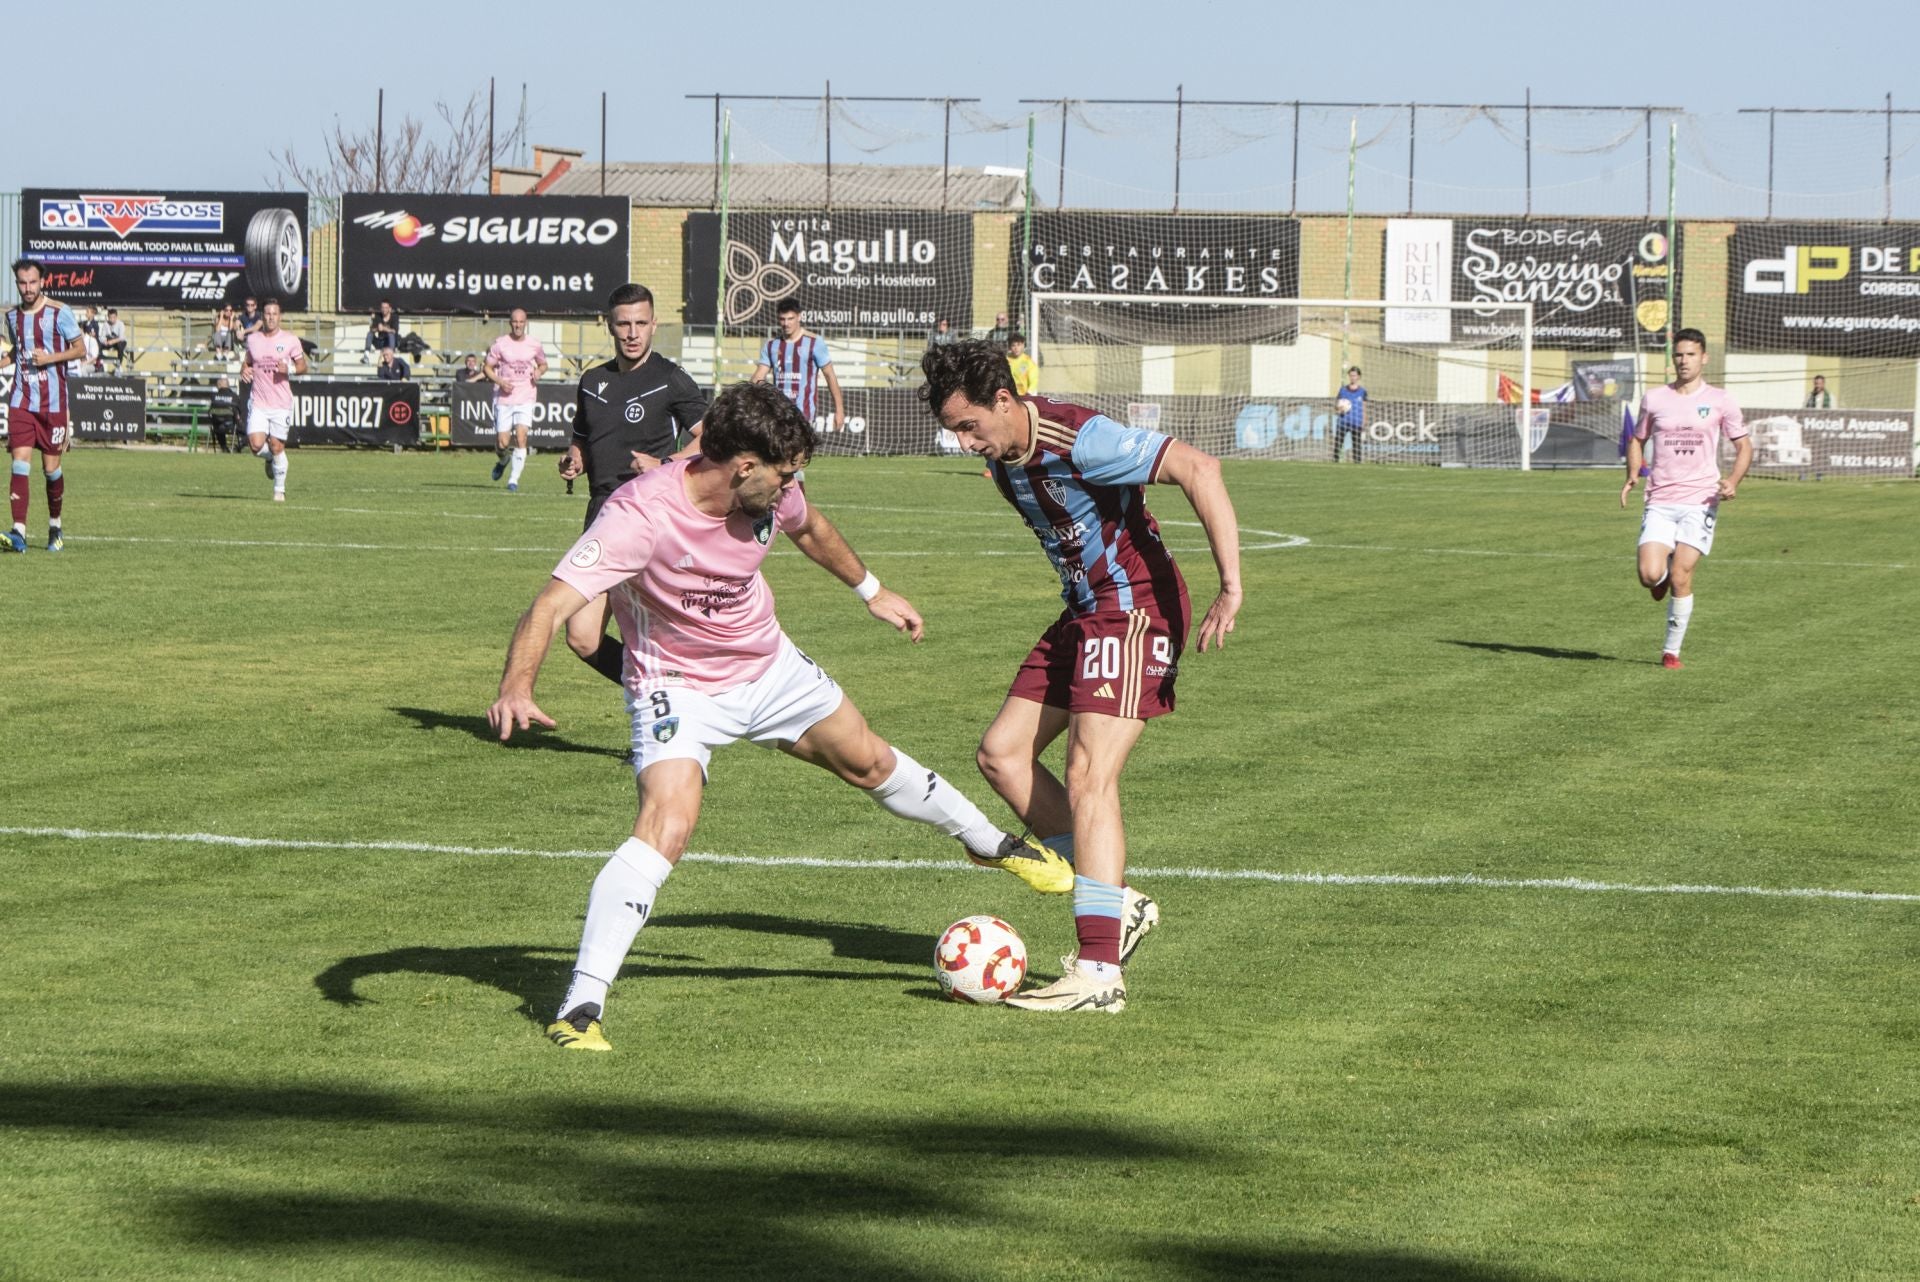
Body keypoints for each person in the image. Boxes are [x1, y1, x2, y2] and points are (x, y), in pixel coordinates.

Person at [488, 381, 1072, 1052]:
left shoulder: (774, 487)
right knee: (667, 824)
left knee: (870, 761)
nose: (791, 486)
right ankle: (582, 1005)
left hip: (768, 666)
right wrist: (517, 685)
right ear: (742, 466)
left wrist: (872, 591)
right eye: (784, 473)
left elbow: (813, 529)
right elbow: (551, 605)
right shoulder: (638, 517)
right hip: (677, 687)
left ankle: (989, 843)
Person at [920, 340, 1244, 1014]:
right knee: (1002, 755)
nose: (962, 441)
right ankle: (1115, 901)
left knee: (1089, 775)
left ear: (1004, 401)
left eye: (968, 425)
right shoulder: (1007, 461)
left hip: (1135, 611)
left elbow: (1198, 466)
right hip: (1087, 612)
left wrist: (1231, 586)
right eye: (954, 430)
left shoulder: (1082, 439)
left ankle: (1099, 973)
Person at [558, 282, 709, 683]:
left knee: (653, 633)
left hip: (651, 517)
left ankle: (665, 727)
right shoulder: (592, 382)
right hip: (602, 515)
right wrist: (576, 458)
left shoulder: (670, 378)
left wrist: (665, 463)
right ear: (609, 325)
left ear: (654, 324)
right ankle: (665, 688)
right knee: (583, 637)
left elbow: (712, 437)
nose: (632, 332)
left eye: (641, 323)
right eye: (623, 323)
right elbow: (584, 437)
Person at [1621, 327, 1752, 670]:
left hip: (1701, 500)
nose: (1683, 360)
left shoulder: (1721, 400)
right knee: (1649, 576)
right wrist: (1633, 474)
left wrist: (1734, 481)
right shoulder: (1654, 398)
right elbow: (1637, 439)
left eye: (1690, 354)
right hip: (1660, 499)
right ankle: (1658, 577)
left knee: (1682, 574)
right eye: (1678, 354)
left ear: (1704, 358)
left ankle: (1671, 652)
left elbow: (1744, 446)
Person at [4, 258, 86, 553]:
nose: (27, 288)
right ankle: (19, 533)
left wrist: (49, 358)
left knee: (51, 470)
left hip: (53, 404)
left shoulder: (59, 312)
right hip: (22, 401)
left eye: (32, 283)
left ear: (43, 282)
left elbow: (81, 349)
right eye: (22, 283)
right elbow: (18, 351)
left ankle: (55, 526)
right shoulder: (12, 317)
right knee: (19, 463)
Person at [240, 298, 308, 502]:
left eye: (274, 314)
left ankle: (279, 491)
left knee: (278, 446)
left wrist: (291, 369)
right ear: (263, 316)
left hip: (281, 403)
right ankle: (269, 459)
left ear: (280, 316)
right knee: (255, 445)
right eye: (267, 313)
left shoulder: (290, 340)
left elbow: (304, 366)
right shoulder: (253, 339)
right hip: (259, 401)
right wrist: (244, 370)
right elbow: (247, 362)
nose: (271, 317)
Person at [751, 297, 844, 432]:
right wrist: (748, 398)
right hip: (778, 413)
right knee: (780, 452)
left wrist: (839, 409)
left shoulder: (814, 343)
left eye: (790, 319)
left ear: (799, 317)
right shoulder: (772, 345)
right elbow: (759, 376)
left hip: (803, 414)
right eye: (782, 319)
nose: (786, 323)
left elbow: (830, 375)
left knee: (797, 452)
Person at [485, 308, 547, 493]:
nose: (518, 325)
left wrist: (538, 372)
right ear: (510, 323)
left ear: (525, 323)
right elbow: (487, 368)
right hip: (504, 398)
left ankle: (513, 480)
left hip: (526, 395)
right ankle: (504, 460)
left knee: (521, 437)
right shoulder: (500, 344)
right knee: (503, 442)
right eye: (515, 322)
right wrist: (500, 381)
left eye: (521, 322)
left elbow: (543, 364)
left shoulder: (534, 344)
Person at [1333, 366, 1366, 463]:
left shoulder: (1362, 391)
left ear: (1358, 377)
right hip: (1343, 421)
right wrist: (1339, 408)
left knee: (1357, 444)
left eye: (1354, 375)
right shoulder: (1343, 390)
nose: (1352, 377)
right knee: (1338, 443)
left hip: (1356, 421)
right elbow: (1336, 404)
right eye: (1351, 375)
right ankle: (1335, 461)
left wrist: (1364, 421)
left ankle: (1357, 463)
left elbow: (1364, 407)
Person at [208, 376, 238, 454]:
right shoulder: (234, 396)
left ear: (219, 386)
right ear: (228, 385)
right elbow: (238, 412)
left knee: (218, 423)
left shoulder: (213, 396)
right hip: (230, 426)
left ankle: (224, 447)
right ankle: (240, 445)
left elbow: (209, 412)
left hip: (216, 427)